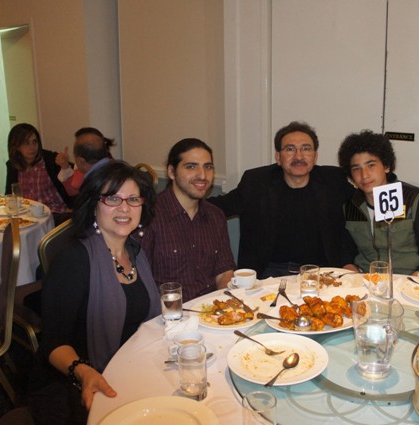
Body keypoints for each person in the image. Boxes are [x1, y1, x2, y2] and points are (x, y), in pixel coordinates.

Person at [28, 161, 160, 424]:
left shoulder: (134, 250)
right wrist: (83, 372)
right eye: (113, 198)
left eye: (133, 199)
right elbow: (52, 343)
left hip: (133, 368)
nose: (124, 208)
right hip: (84, 384)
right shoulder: (74, 261)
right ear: (93, 204)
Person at [208, 121, 357, 279]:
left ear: (315, 156)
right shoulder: (257, 183)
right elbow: (216, 208)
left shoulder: (332, 180)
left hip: (322, 270)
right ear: (278, 157)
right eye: (290, 149)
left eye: (306, 149)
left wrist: (348, 262)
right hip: (270, 271)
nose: (299, 156)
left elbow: (363, 205)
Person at [141, 138, 236, 301]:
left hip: (212, 309)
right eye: (191, 166)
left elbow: (224, 272)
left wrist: (221, 304)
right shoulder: (149, 215)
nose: (202, 175)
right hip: (169, 312)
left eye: (208, 167)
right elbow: (142, 282)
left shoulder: (215, 216)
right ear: (171, 172)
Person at [337, 130, 419, 275]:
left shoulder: (414, 199)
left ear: (386, 166)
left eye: (371, 165)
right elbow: (345, 255)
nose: (364, 175)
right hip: (365, 279)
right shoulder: (351, 205)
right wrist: (355, 278)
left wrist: (408, 283)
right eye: (356, 169)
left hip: (408, 280)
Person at [5, 123, 73, 225]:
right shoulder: (13, 165)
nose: (32, 147)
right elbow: (10, 195)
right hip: (27, 216)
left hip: (54, 214)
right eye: (26, 143)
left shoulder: (51, 160)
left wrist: (65, 166)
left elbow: (73, 188)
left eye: (34, 142)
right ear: (17, 146)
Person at [56, 127, 114, 197]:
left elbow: (75, 189)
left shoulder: (95, 179)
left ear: (81, 161)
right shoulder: (115, 167)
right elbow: (73, 191)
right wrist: (65, 167)